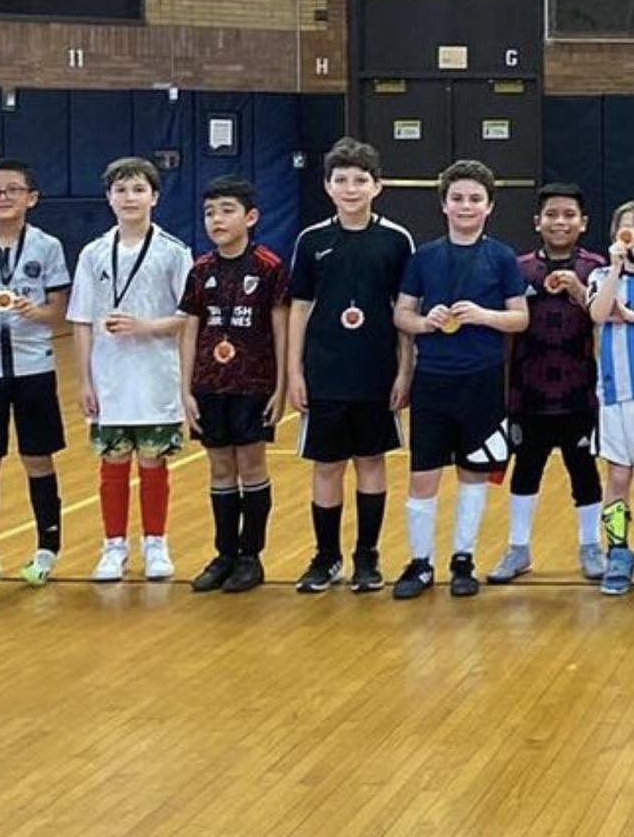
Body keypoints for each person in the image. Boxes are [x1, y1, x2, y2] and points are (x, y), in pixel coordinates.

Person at [393, 159, 528, 599]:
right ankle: (420, 562)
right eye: (457, 198)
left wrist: (485, 315)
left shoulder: (502, 257)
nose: (465, 206)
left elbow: (520, 318)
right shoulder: (424, 257)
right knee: (423, 476)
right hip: (432, 381)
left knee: (473, 473)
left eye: (474, 199)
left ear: (489, 206)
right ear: (444, 204)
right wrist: (425, 322)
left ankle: (463, 559)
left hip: (482, 381)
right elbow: (402, 314)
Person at [288, 136, 413, 594]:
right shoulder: (311, 240)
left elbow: (405, 309)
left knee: (371, 462)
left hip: (376, 372)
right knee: (326, 466)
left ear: (377, 186)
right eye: (341, 180)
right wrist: (294, 372)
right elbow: (299, 308)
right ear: (327, 186)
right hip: (325, 372)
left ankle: (367, 555)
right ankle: (326, 557)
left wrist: (405, 370)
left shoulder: (396, 240)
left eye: (360, 180)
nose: (351, 188)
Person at [67, 157, 192, 582]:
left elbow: (189, 316)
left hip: (157, 375)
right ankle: (113, 546)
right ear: (108, 197)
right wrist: (84, 380)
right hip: (109, 378)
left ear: (154, 196)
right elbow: (81, 319)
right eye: (121, 190)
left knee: (153, 462)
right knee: (113, 461)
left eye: (138, 189)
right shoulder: (93, 253)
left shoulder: (173, 252)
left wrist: (146, 327)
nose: (129, 198)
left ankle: (155, 543)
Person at [488, 183, 605, 584]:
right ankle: (518, 548)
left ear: (583, 223)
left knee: (583, 471)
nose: (560, 222)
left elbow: (604, 320)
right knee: (526, 469)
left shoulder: (596, 267)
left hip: (579, 392)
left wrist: (579, 292)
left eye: (569, 215)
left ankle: (591, 545)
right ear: (537, 222)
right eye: (552, 215)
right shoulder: (518, 268)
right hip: (529, 391)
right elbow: (507, 333)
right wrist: (504, 388)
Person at [0, 158, 69, 586]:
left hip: (33, 366)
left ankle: (46, 549)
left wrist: (36, 312)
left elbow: (58, 310)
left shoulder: (47, 246)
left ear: (32, 198)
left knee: (37, 456)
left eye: (12, 189)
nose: (2, 196)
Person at [180, 176, 288, 593]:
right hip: (209, 384)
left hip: (253, 383)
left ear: (251, 216)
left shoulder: (269, 267)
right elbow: (190, 329)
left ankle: (250, 556)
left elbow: (280, 328)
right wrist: (185, 389)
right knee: (220, 468)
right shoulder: (200, 269)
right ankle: (224, 554)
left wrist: (280, 386)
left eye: (227, 210)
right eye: (209, 212)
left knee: (251, 465)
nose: (217, 220)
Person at [588, 200, 634, 595]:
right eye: (627, 227)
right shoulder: (602, 275)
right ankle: (618, 551)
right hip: (617, 394)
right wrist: (617, 269)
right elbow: (600, 314)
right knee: (618, 477)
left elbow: (620, 314)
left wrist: (630, 315)